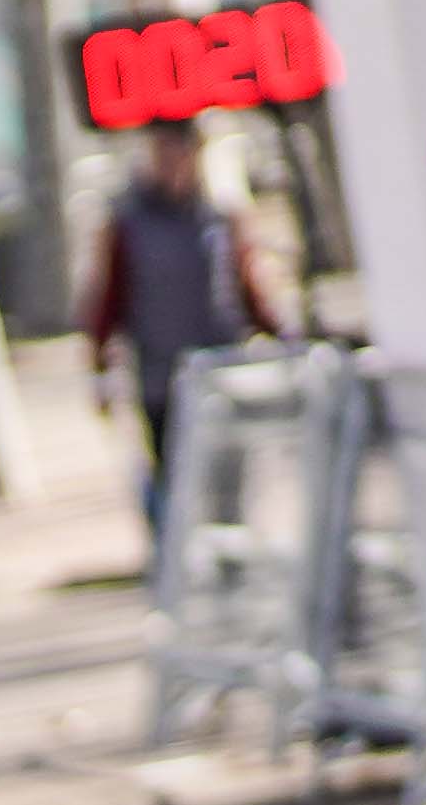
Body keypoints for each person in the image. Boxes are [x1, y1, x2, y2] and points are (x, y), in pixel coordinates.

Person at [81, 118, 286, 519]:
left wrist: (282, 336)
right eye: (159, 152)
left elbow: (248, 289)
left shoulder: (221, 216)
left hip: (222, 370)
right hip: (163, 378)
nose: (168, 161)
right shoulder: (126, 222)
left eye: (177, 151)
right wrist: (99, 368)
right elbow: (108, 300)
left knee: (229, 480)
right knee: (176, 485)